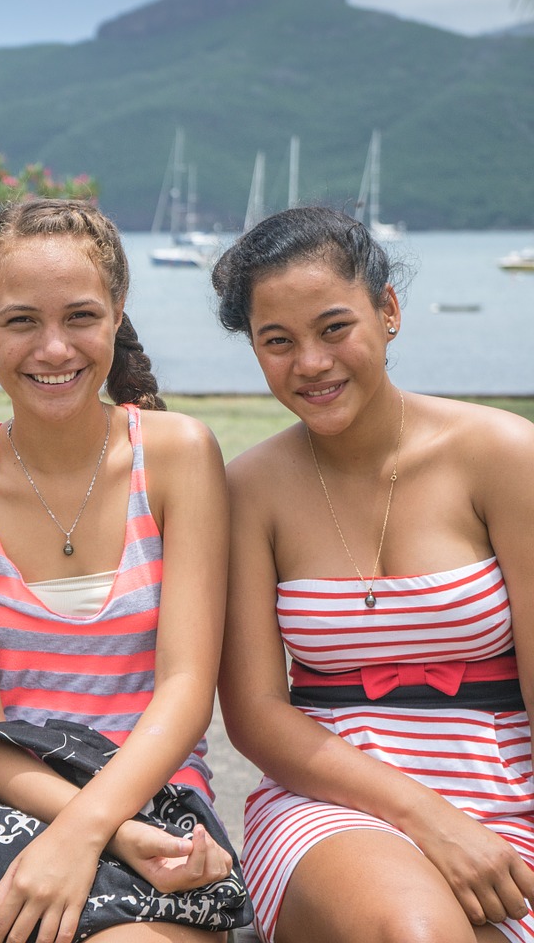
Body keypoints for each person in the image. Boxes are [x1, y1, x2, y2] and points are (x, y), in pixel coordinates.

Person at [0, 198, 235, 943]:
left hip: (158, 799)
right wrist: (87, 830)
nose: (54, 348)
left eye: (80, 316)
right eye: (21, 321)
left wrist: (97, 829)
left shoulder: (178, 457)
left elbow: (185, 691)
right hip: (3, 803)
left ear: (118, 313)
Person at [211, 206, 534, 943]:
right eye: (278, 342)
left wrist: (473, 825)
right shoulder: (248, 492)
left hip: (507, 803)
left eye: (334, 328)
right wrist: (427, 816)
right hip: (331, 812)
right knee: (415, 932)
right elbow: (257, 717)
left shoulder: (502, 455)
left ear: (387, 311)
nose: (312, 364)